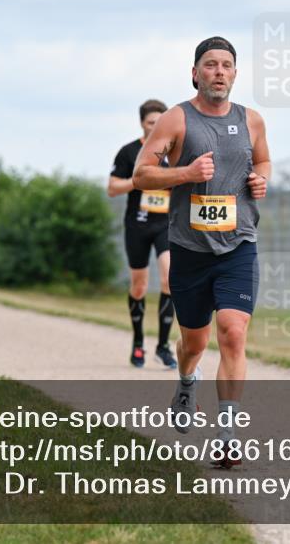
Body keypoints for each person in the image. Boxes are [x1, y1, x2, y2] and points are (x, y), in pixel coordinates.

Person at [133, 36, 270, 468]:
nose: (218, 72)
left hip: (238, 246)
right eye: (210, 64)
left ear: (235, 73)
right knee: (194, 342)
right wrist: (186, 173)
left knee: (233, 332)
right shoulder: (176, 119)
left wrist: (261, 180)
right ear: (195, 73)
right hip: (190, 249)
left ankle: (227, 435)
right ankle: (187, 379)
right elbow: (141, 175)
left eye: (226, 65)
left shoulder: (252, 121)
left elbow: (263, 161)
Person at [108, 99, 177, 369]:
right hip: (137, 225)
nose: (155, 127)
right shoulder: (129, 152)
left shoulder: (174, 152)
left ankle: (163, 346)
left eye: (160, 122)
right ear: (141, 123)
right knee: (138, 284)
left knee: (170, 278)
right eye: (151, 123)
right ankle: (138, 343)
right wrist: (137, 181)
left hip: (166, 224)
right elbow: (112, 188)